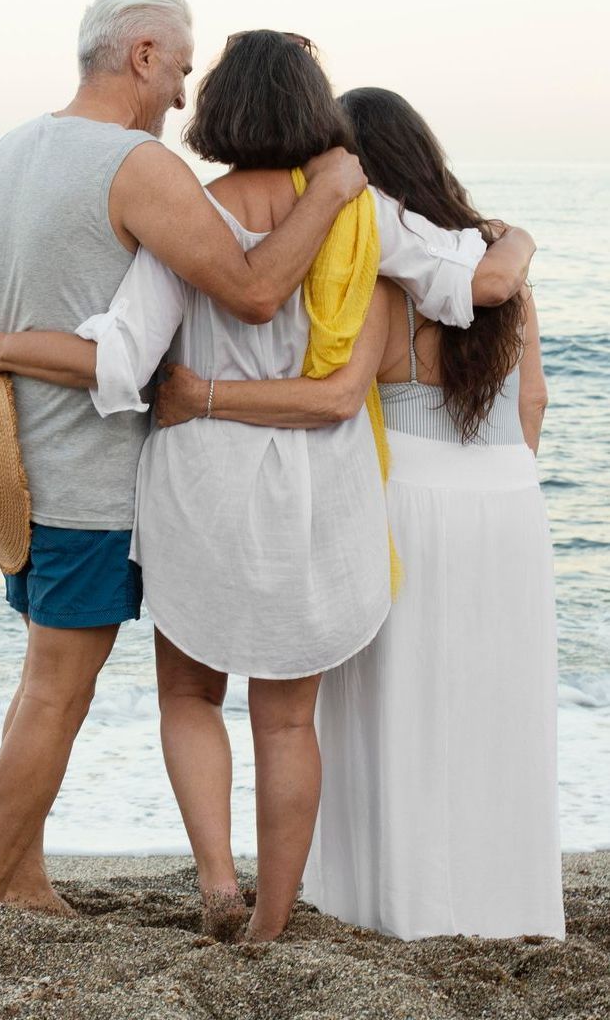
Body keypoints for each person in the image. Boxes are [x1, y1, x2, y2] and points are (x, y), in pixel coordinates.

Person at [0, 38, 536, 938]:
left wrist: (2, 345)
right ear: (317, 114)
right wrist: (517, 235)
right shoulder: (362, 214)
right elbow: (485, 282)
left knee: (189, 698)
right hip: (316, 492)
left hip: (198, 484)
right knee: (286, 722)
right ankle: (271, 923)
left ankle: (218, 884)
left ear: (218, 111)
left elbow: (119, 361)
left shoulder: (192, 219)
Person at [0, 0, 369, 914]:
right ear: (143, 54)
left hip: (11, 472)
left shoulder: (7, 152)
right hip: (88, 478)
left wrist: (4, 358)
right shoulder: (138, 165)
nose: (183, 98)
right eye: (180, 70)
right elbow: (254, 291)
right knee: (57, 694)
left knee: (41, 684)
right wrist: (337, 188)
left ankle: (22, 877)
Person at [155, 87, 563, 940]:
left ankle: (395, 901)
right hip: (509, 503)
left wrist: (205, 397)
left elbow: (338, 394)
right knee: (498, 710)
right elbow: (532, 405)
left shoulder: (375, 265)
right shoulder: (497, 260)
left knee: (389, 714)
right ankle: (507, 902)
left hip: (408, 498)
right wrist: (518, 235)